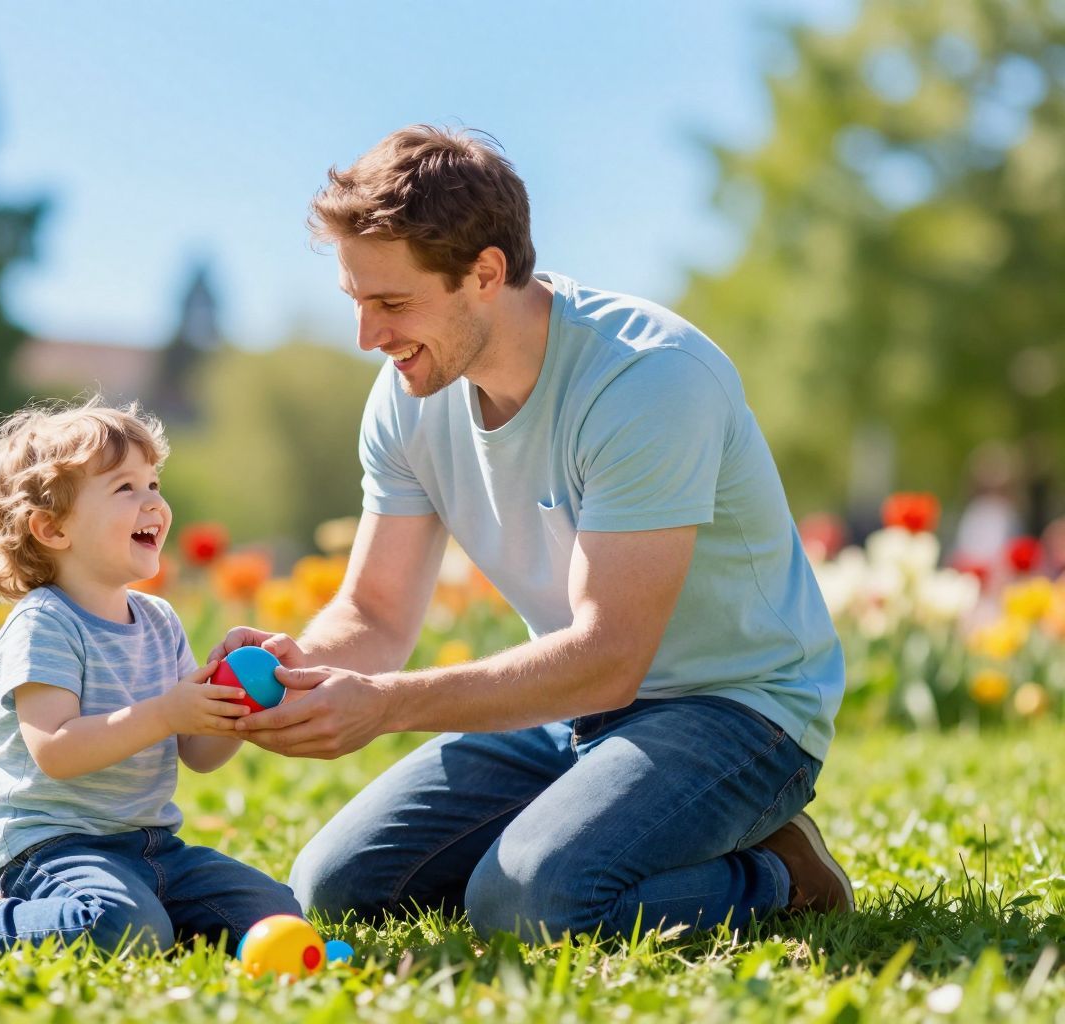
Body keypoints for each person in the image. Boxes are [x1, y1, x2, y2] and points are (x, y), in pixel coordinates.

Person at [211, 125, 854, 941]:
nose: (368, 338)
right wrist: (299, 666)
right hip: (570, 708)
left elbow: (611, 654)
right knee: (337, 889)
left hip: (735, 710)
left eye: (392, 303)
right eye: (357, 301)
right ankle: (609, 830)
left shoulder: (646, 379)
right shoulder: (408, 394)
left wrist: (383, 706)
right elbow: (374, 611)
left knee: (529, 905)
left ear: (485, 272)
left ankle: (778, 874)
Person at [0, 399, 301, 956]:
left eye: (153, 482)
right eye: (126, 488)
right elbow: (56, 749)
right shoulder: (44, 624)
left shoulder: (159, 620)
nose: (154, 502)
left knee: (278, 913)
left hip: (151, 848)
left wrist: (232, 701)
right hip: (53, 849)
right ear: (52, 528)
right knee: (121, 926)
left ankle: (151, 923)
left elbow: (197, 752)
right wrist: (166, 712)